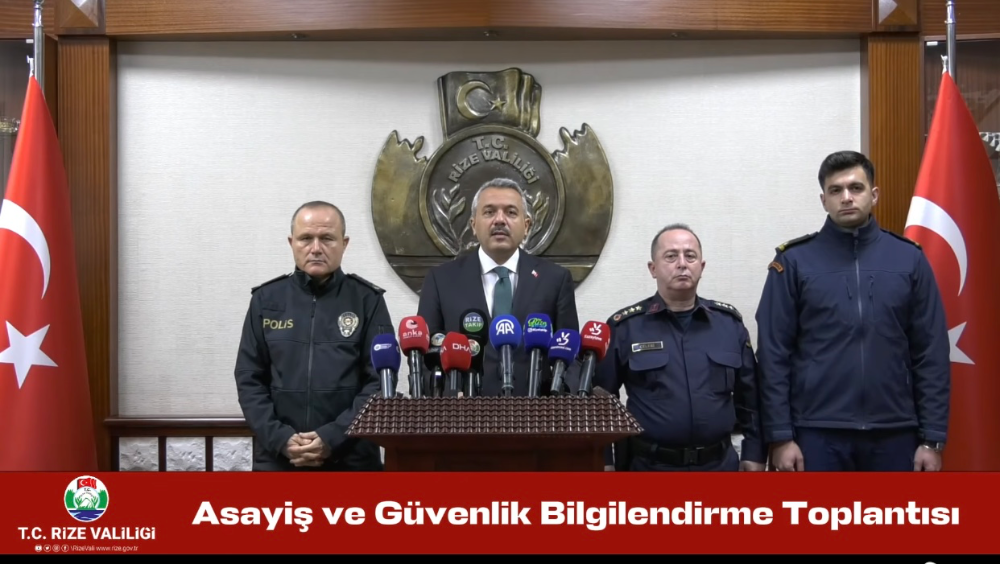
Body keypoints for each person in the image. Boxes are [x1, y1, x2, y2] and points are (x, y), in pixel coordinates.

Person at [755, 150, 951, 472]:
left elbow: (931, 352)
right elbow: (774, 355)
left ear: (874, 195)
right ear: (824, 200)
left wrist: (932, 438)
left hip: (896, 432)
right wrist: (780, 437)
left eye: (856, 188)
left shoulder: (909, 259)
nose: (846, 197)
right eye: (836, 190)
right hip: (815, 433)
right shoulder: (793, 262)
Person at [234, 201, 394, 471]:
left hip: (352, 460)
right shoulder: (266, 300)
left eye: (327, 238)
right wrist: (281, 439)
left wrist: (332, 438)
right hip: (279, 461)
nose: (316, 248)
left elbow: (379, 382)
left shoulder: (368, 300)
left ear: (344, 244)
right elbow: (249, 379)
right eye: (306, 238)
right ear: (292, 243)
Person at [595, 224, 767, 472]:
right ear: (653, 269)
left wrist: (754, 453)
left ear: (701, 267)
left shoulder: (729, 325)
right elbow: (601, 401)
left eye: (690, 256)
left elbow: (750, 399)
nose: (682, 264)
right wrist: (604, 461)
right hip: (650, 468)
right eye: (671, 256)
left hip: (719, 466)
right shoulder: (625, 327)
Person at [417, 177, 580, 397]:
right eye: (489, 212)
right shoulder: (441, 280)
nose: (500, 220)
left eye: (511, 212)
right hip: (461, 412)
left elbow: (571, 354)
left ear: (526, 226)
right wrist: (446, 396)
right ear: (473, 225)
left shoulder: (555, 279)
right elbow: (426, 356)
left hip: (535, 412)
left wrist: (560, 398)